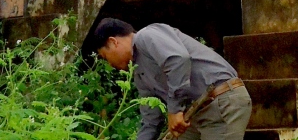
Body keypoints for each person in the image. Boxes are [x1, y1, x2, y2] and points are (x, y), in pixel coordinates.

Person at [91, 18, 252, 140]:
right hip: (196, 113)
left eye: (105, 57)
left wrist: (174, 110)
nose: (109, 64)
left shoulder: (146, 36)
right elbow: (151, 120)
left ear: (113, 42)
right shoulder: (139, 70)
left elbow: (178, 60)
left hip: (220, 102)